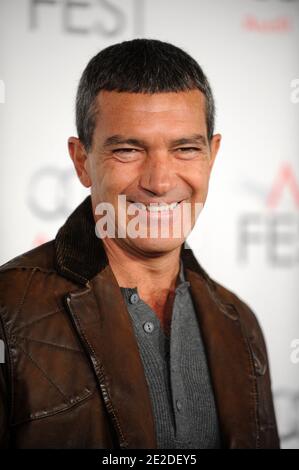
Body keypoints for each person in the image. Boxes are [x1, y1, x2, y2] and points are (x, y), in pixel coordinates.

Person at [0, 38, 279, 449]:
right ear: (82, 162)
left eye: (185, 148)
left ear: (211, 155)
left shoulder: (240, 324)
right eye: (128, 150)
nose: (160, 182)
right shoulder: (8, 307)